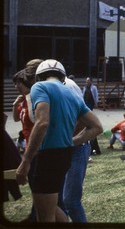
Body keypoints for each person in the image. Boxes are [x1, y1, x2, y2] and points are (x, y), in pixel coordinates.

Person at [15, 59, 103, 223]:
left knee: (45, 216)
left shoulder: (39, 87)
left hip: (46, 155)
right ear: (63, 76)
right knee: (53, 207)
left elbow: (42, 123)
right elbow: (97, 127)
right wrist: (72, 141)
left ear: (39, 76)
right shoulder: (71, 93)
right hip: (64, 155)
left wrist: (25, 161)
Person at [82, 77, 100, 155]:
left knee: (89, 112)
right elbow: (83, 94)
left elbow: (96, 95)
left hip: (91, 102)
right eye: (86, 81)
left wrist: (96, 102)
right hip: (85, 102)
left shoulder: (94, 87)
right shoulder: (84, 87)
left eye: (88, 81)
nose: (87, 82)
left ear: (91, 81)